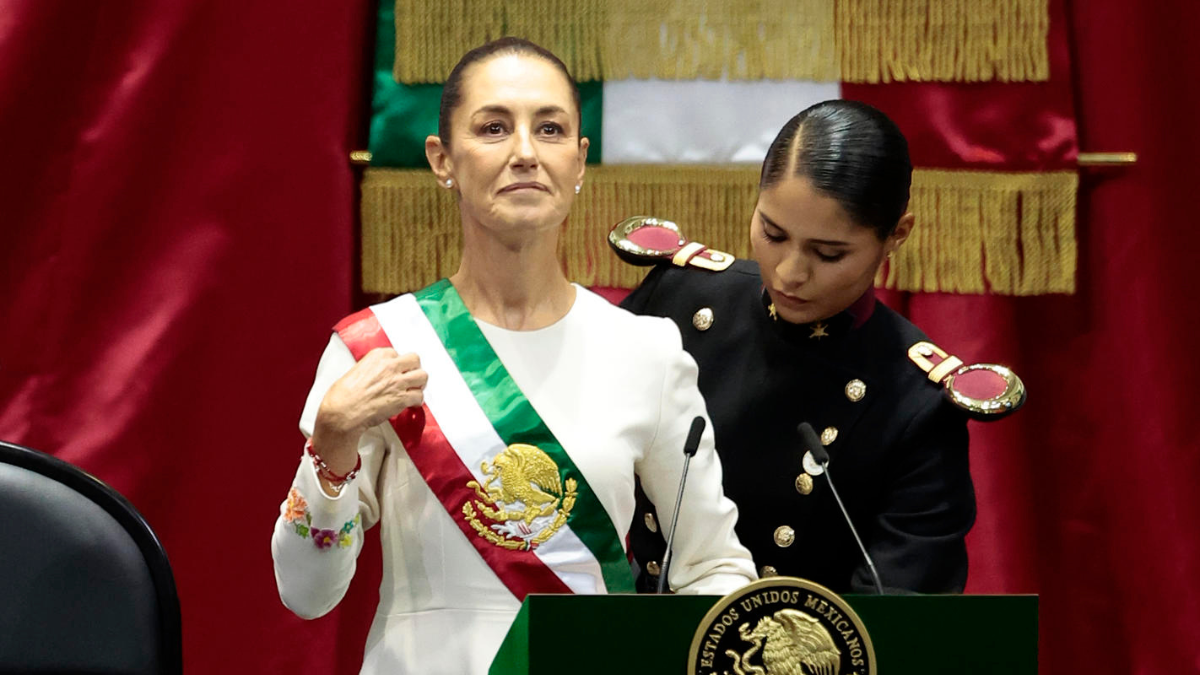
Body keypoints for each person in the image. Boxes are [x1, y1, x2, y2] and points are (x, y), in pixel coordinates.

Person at [270, 38, 755, 674]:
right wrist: (330, 444)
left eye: (550, 129)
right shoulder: (376, 347)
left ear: (580, 161)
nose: (525, 152)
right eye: (494, 127)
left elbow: (713, 566)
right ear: (442, 160)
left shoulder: (647, 351)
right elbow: (306, 594)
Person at [622, 100, 1016, 595]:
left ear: (897, 235)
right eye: (772, 233)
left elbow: (898, 617)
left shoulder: (916, 403)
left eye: (828, 253)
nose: (790, 273)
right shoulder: (678, 299)